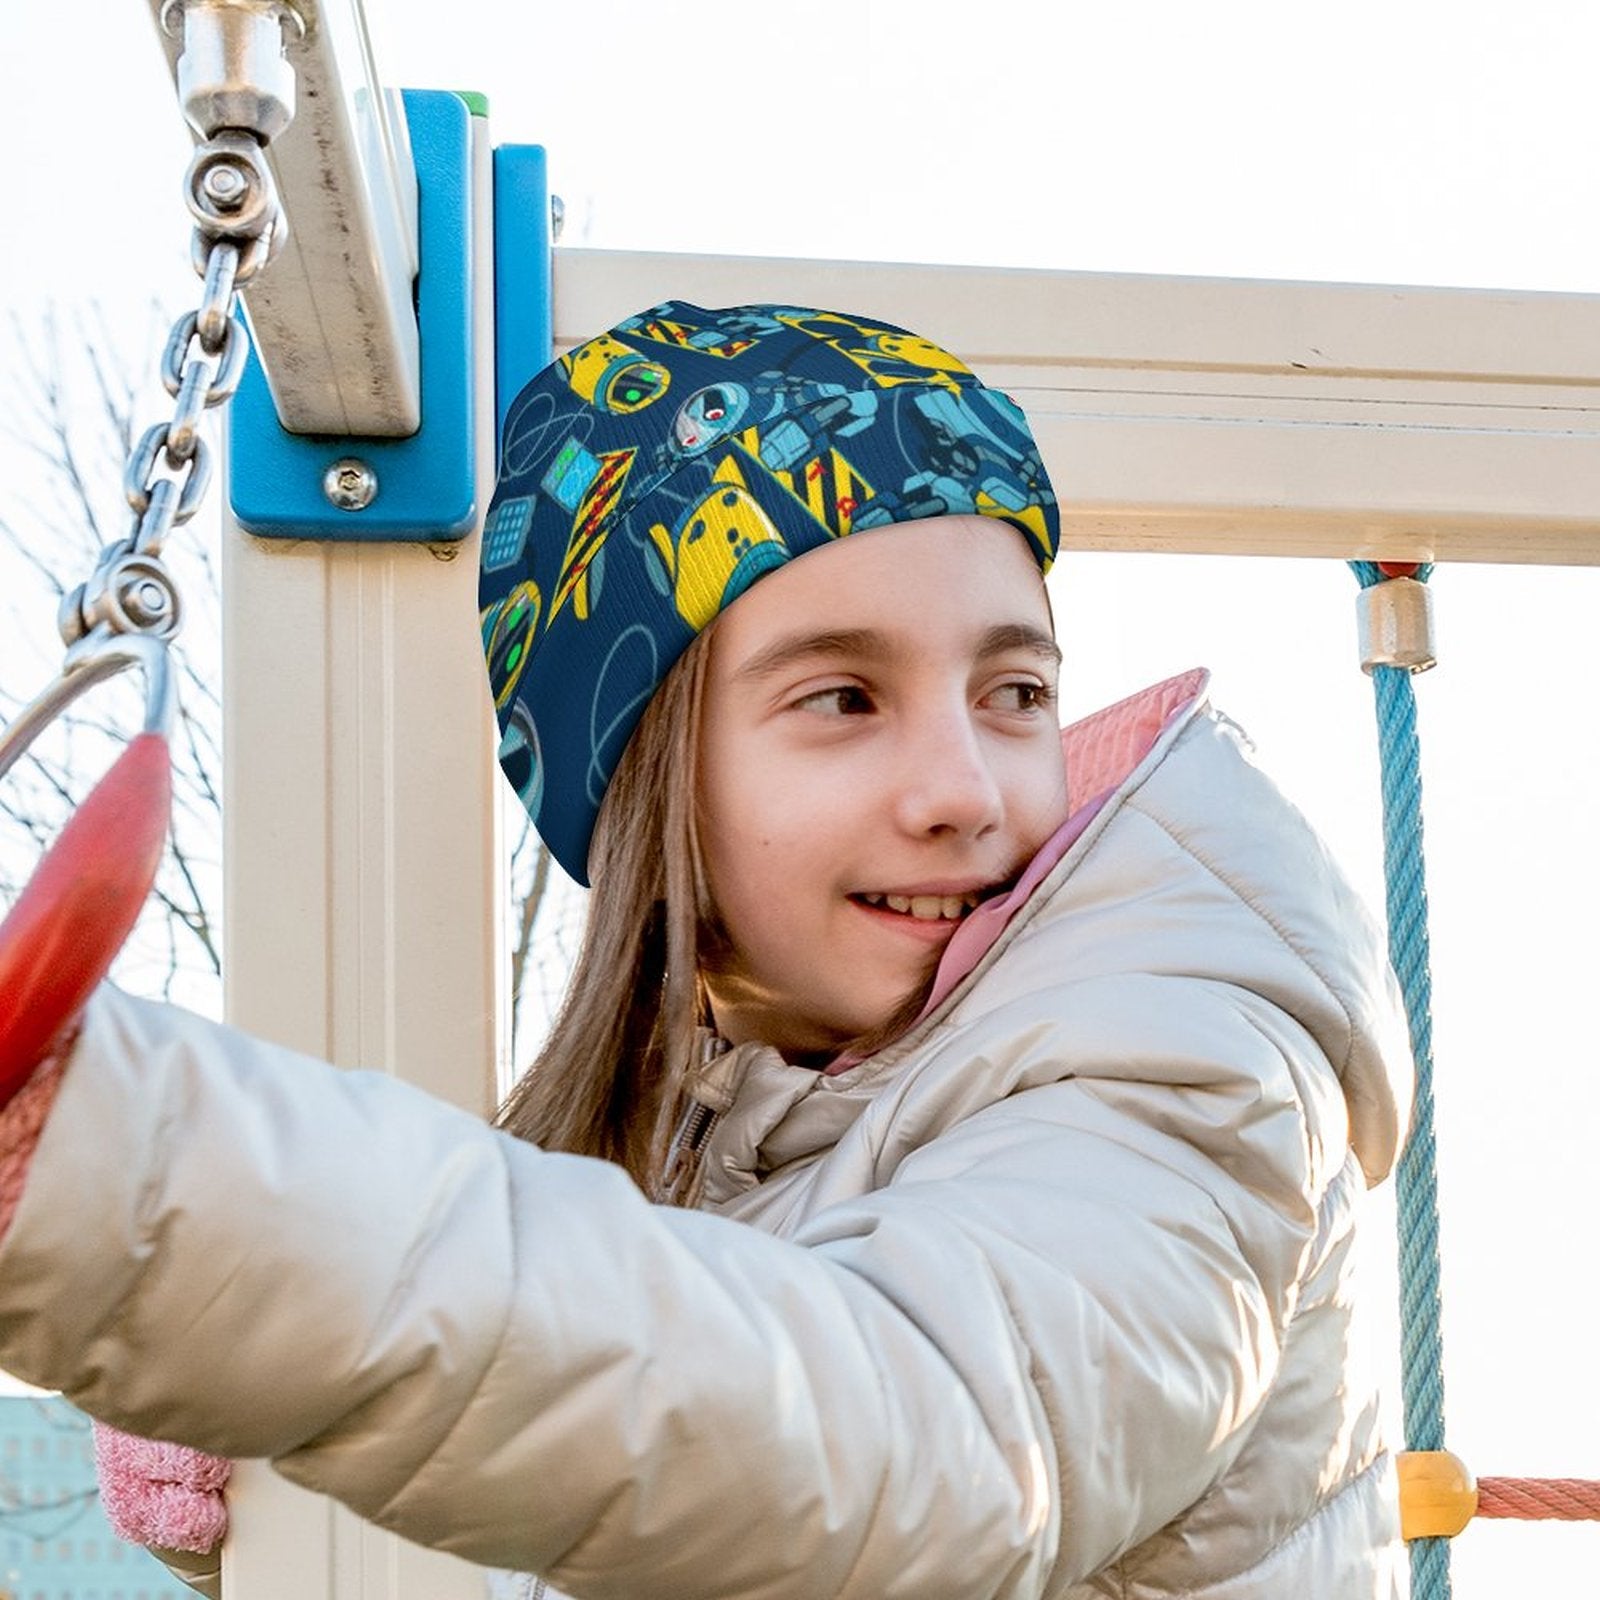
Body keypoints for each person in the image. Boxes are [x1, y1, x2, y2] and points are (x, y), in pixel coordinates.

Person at [0, 302, 1412, 1600]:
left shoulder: (1181, 1066)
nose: (966, 787)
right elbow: (660, 1441)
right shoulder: (730, 1139)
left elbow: (901, 1443)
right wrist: (266, 1439)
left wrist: (155, 1196)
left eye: (1017, 689)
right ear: (648, 782)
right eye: (846, 697)